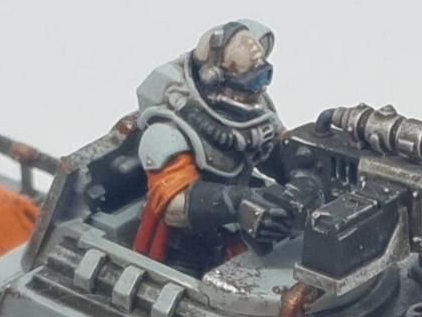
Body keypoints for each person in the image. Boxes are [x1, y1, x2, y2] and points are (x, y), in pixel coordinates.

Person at [132, 20, 314, 270]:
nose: (261, 88)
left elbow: (275, 152)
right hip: (186, 241)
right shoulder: (169, 131)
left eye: (264, 76)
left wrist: (304, 180)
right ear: (215, 80)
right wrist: (238, 202)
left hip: (241, 227)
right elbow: (173, 204)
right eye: (252, 82)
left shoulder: (255, 114)